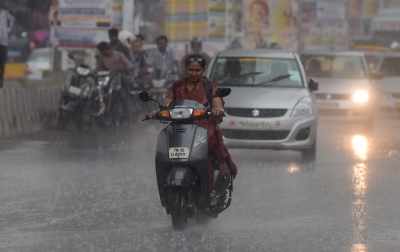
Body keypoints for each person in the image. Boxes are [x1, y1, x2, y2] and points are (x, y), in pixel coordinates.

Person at [150, 54, 238, 194]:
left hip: (205, 126)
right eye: (191, 70)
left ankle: (213, 187)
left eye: (197, 70)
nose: (194, 73)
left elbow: (217, 100)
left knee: (219, 156)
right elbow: (167, 103)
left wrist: (217, 109)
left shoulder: (210, 86)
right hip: (179, 126)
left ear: (203, 71)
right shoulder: (177, 86)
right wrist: (159, 112)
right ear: (186, 70)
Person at [96, 42, 134, 124]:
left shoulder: (119, 55)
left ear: (108, 49)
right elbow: (98, 69)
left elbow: (130, 65)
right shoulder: (102, 57)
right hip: (109, 79)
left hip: (122, 77)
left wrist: (121, 69)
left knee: (124, 96)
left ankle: (129, 116)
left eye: (104, 51)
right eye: (101, 52)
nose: (103, 53)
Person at [0, 5, 14, 88]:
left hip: (4, 41)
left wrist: (8, 29)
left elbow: (12, 19)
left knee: (2, 62)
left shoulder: (5, 13)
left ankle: (1, 80)